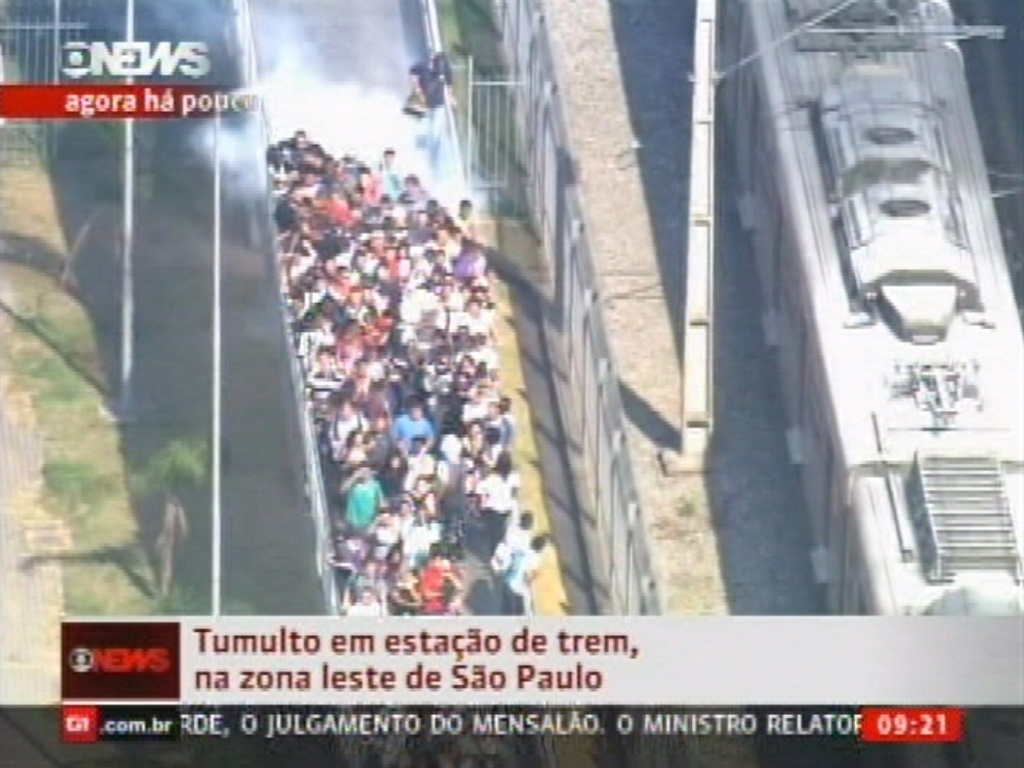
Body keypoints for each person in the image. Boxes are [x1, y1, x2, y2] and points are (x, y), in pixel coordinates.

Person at [502, 534, 548, 615]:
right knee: (528, 599)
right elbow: (533, 575)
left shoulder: (523, 547)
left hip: (507, 578)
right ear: (540, 549)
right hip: (517, 584)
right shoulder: (536, 558)